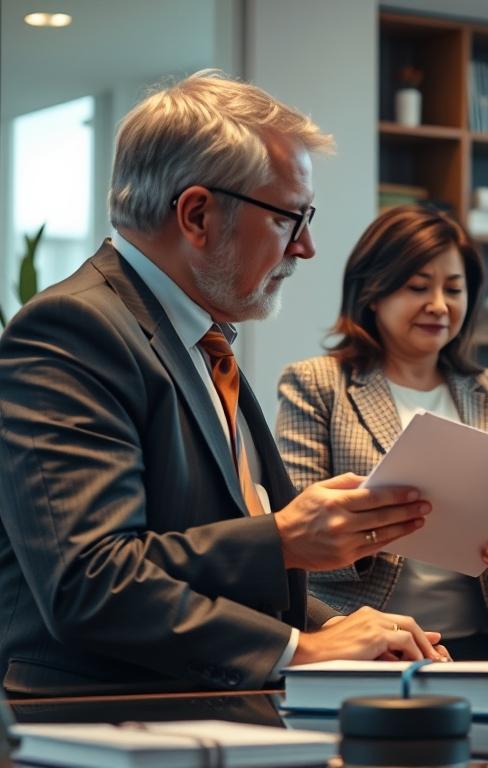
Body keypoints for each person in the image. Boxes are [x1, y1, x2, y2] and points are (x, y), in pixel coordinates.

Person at [0, 70, 447, 697]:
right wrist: (297, 628)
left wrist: (340, 628)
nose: (307, 246)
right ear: (197, 214)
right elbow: (91, 580)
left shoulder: (200, 340)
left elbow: (205, 560)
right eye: (290, 218)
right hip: (98, 720)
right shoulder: (73, 330)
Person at [276, 204, 488, 660]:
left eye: (454, 289)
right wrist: (379, 528)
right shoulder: (318, 384)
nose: (439, 305)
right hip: (363, 641)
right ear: (373, 292)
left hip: (477, 642)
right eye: (418, 287)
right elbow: (298, 536)